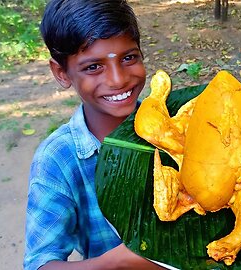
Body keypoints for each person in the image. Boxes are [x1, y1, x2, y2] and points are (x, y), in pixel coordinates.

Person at [23, 0, 163, 269]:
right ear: (61, 72)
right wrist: (120, 262)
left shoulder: (173, 126)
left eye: (128, 58)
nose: (118, 79)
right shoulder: (59, 159)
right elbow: (40, 263)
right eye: (93, 67)